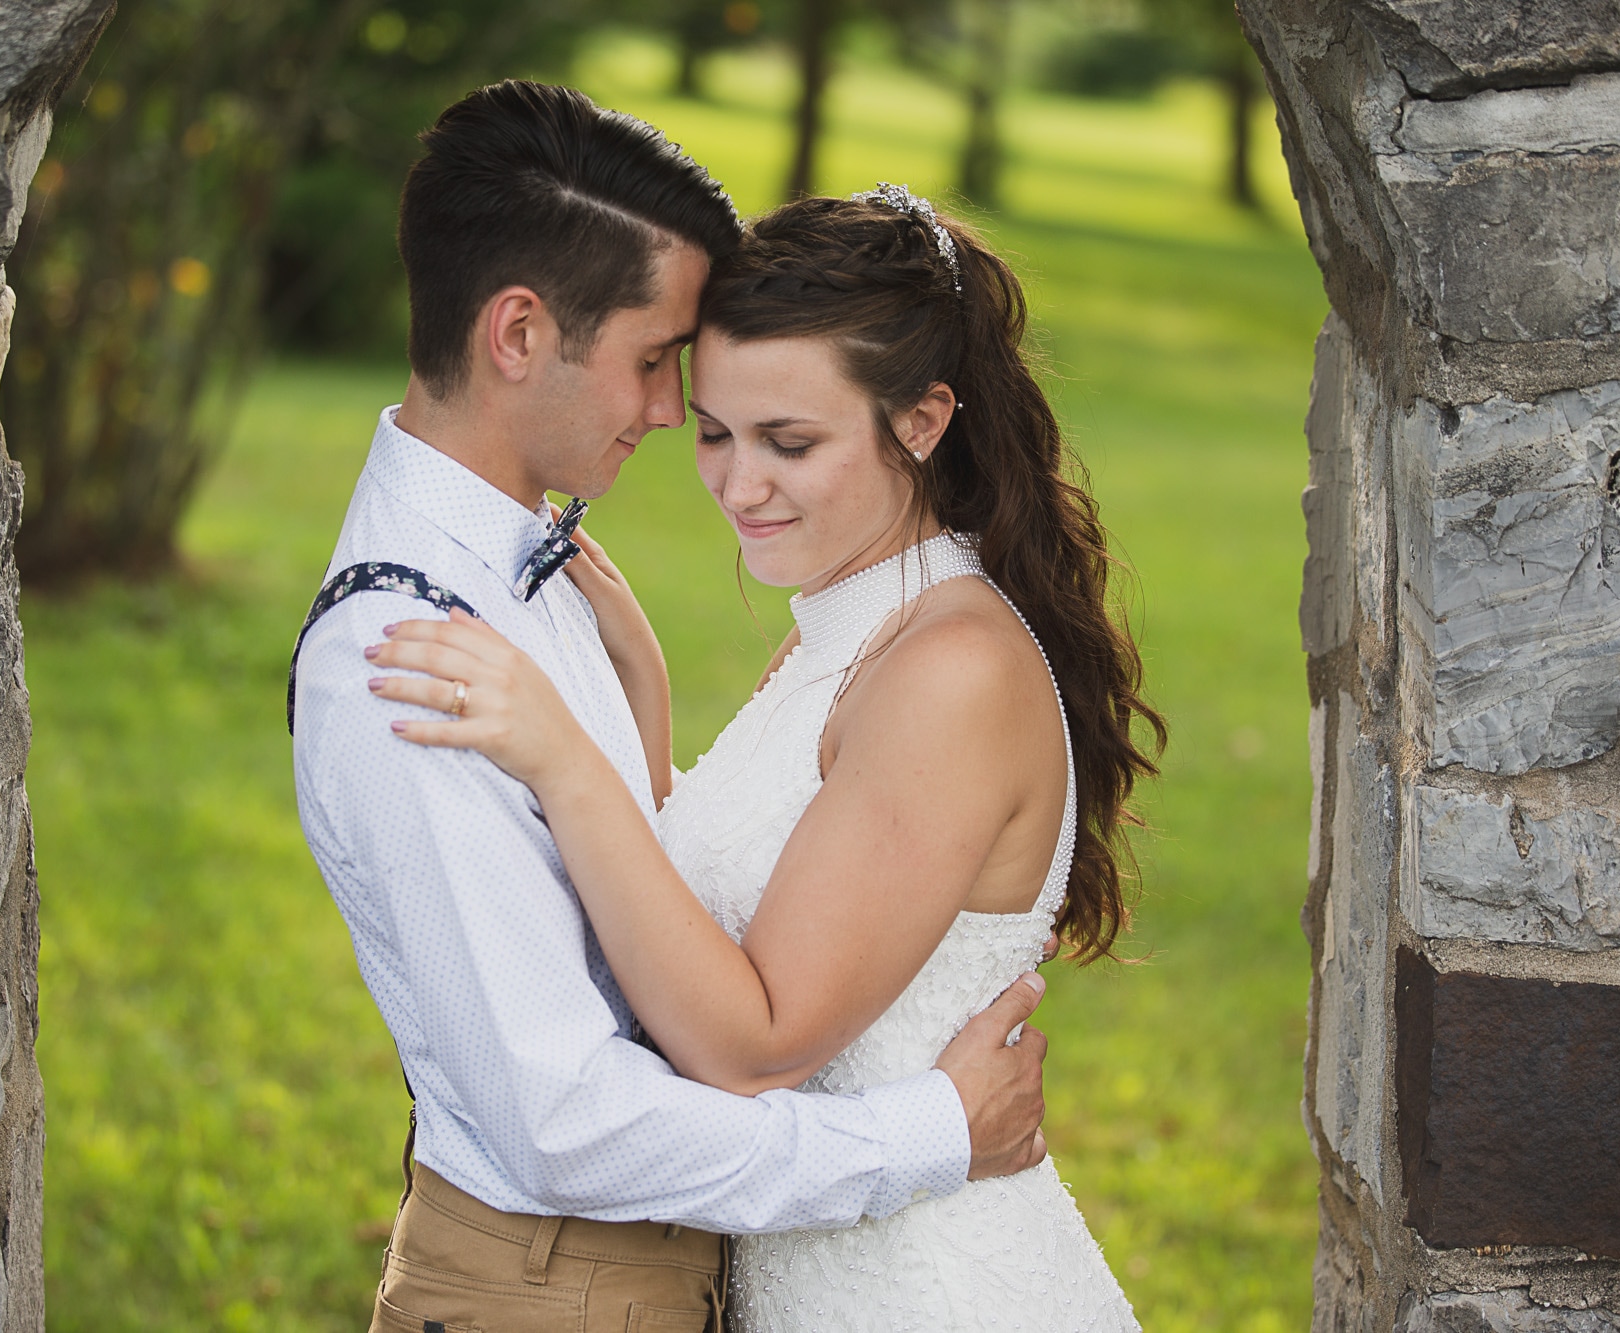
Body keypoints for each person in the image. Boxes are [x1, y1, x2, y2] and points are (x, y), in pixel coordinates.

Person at [290, 81, 1056, 1333]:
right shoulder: (406, 660)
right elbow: (563, 1118)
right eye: (659, 370)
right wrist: (921, 1132)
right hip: (551, 1281)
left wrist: (632, 705)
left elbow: (627, 932)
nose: (667, 419)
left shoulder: (545, 573)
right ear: (519, 333)